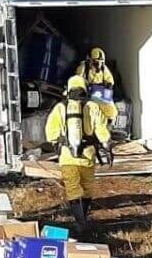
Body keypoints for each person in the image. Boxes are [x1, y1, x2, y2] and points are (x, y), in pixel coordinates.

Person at [44, 75, 112, 229]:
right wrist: (107, 146)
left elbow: (51, 132)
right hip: (88, 155)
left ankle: (79, 221)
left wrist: (58, 142)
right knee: (87, 186)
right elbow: (102, 130)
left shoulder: (60, 107)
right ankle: (85, 215)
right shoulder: (92, 107)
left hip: (68, 157)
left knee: (72, 187)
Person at [74, 47, 117, 126]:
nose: (98, 65)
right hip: (87, 93)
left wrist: (108, 87)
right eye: (95, 62)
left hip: (100, 92)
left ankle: (107, 126)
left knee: (112, 111)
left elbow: (110, 80)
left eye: (101, 62)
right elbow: (77, 80)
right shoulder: (84, 67)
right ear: (89, 60)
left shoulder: (103, 68)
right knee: (88, 110)